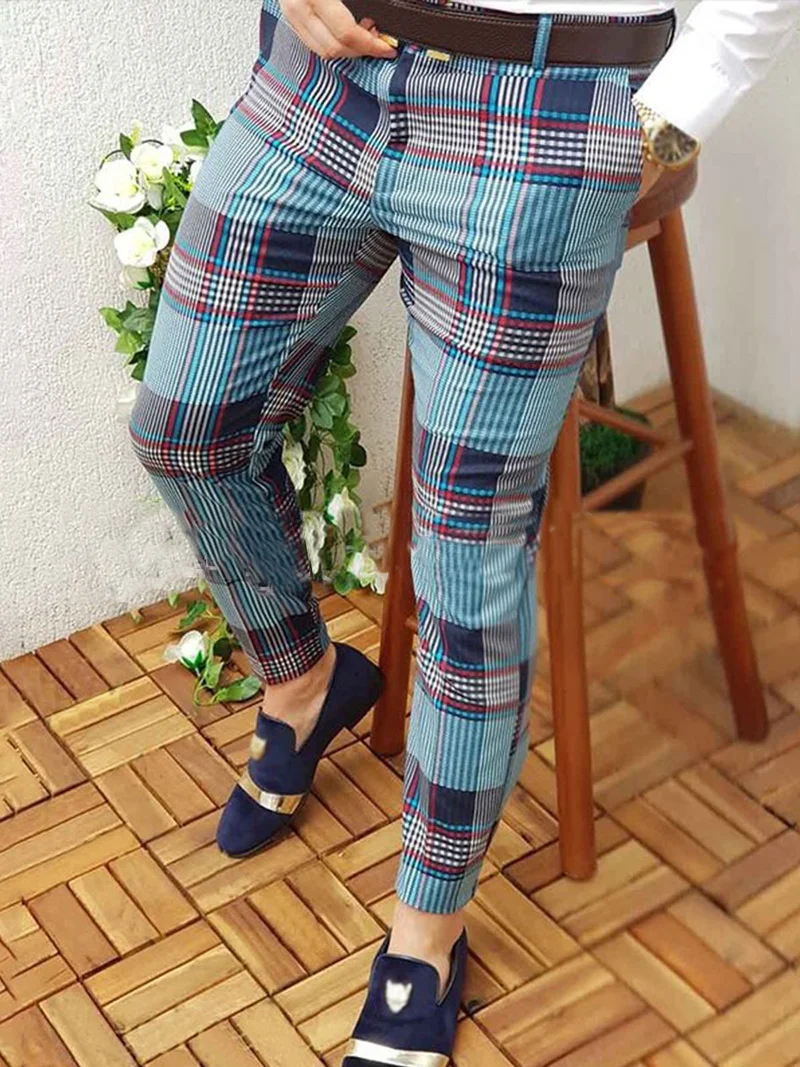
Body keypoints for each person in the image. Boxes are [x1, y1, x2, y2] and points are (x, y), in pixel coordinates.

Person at [128, 1, 799, 1063]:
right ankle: (304, 682)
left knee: (465, 558)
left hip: (545, 110)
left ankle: (425, 937)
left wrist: (656, 126)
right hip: (325, 74)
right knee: (185, 428)